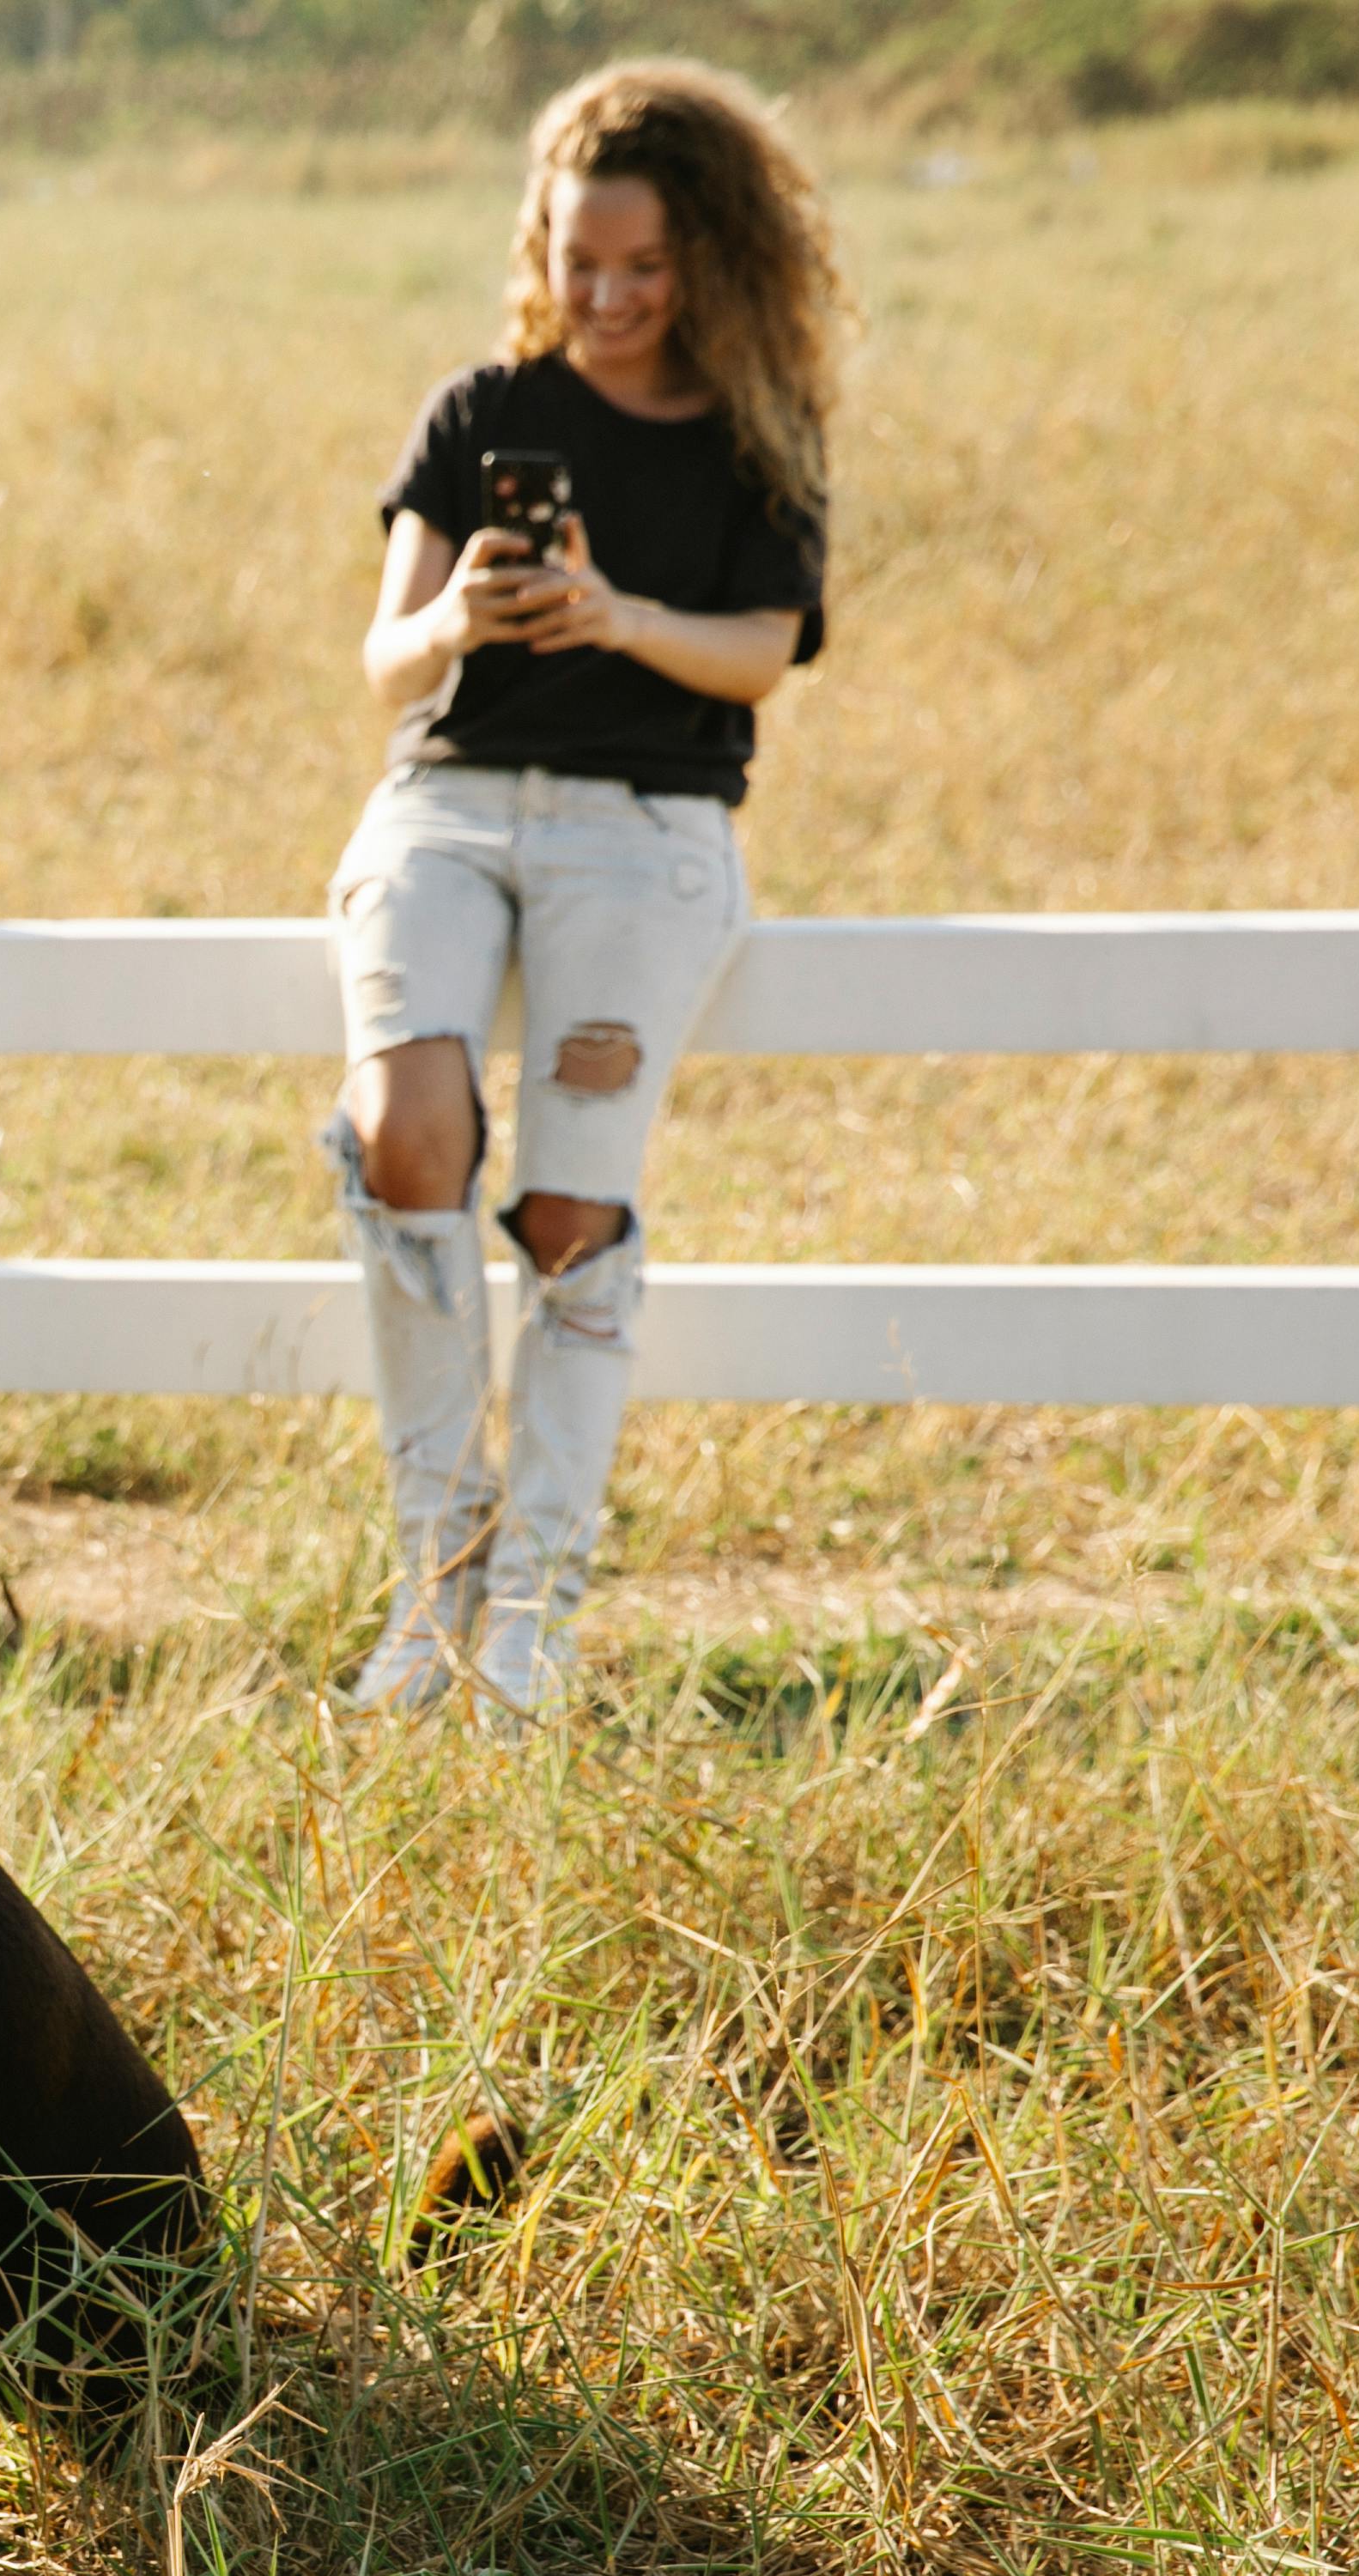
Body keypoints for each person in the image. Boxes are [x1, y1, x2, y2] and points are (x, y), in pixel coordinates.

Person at [325, 60, 843, 1724]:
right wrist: (464, 622)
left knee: (569, 1212)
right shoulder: (482, 411)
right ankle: (434, 1576)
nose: (606, 298)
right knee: (407, 1128)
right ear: (538, 247)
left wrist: (615, 615)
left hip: (649, 826)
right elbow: (383, 665)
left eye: (644, 268)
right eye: (578, 261)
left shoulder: (764, 434)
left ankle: (531, 1617)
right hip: (449, 809)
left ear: (714, 259)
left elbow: (761, 656)